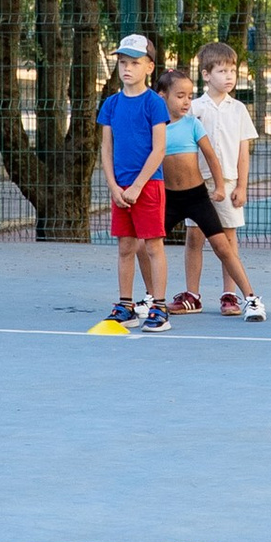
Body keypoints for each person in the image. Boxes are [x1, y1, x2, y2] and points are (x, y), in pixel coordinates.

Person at [157, 63, 268, 323]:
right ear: (162, 96)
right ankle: (156, 299)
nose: (186, 101)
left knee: (224, 245)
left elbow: (215, 157)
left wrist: (225, 186)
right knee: (148, 243)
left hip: (200, 195)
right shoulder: (162, 124)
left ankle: (248, 297)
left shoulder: (195, 122)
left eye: (188, 96)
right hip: (170, 197)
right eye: (180, 96)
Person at [184, 42, 266, 318]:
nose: (229, 76)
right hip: (197, 184)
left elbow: (244, 151)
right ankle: (192, 295)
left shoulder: (239, 109)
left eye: (232, 70)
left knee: (228, 239)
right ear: (206, 75)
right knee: (194, 237)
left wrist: (241, 186)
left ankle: (229, 294)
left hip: (229, 183)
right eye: (222, 70)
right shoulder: (193, 108)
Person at [96, 33, 172, 328]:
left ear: (149, 67)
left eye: (135, 63)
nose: (127, 68)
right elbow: (106, 149)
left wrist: (138, 185)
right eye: (123, 62)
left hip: (149, 187)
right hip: (121, 190)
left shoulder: (154, 104)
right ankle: (125, 305)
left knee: (153, 246)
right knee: (126, 247)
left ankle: (160, 307)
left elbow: (159, 148)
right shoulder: (111, 105)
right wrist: (114, 187)